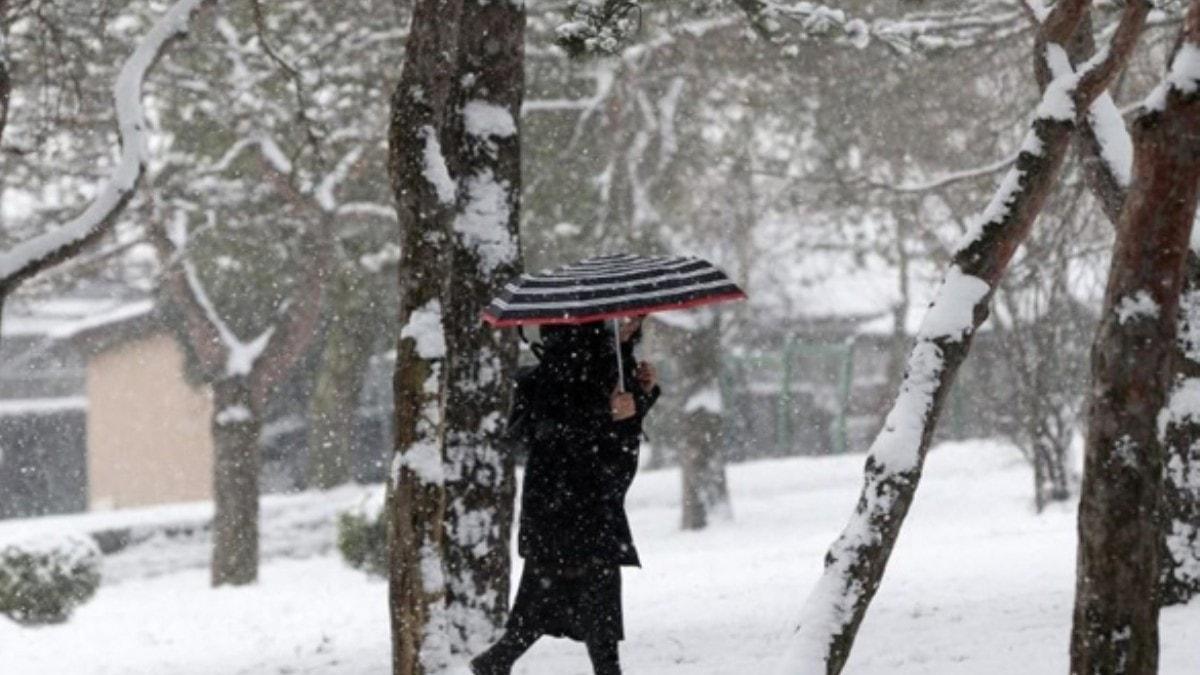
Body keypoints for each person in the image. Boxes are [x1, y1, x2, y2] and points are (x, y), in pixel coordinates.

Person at [471, 315, 660, 675]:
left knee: (578, 603)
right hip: (562, 506)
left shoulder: (613, 363)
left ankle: (496, 662)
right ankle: (497, 661)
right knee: (568, 601)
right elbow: (553, 431)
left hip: (589, 505)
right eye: (626, 320)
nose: (634, 325)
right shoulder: (558, 368)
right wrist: (610, 410)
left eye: (638, 320)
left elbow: (617, 434)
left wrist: (640, 394)